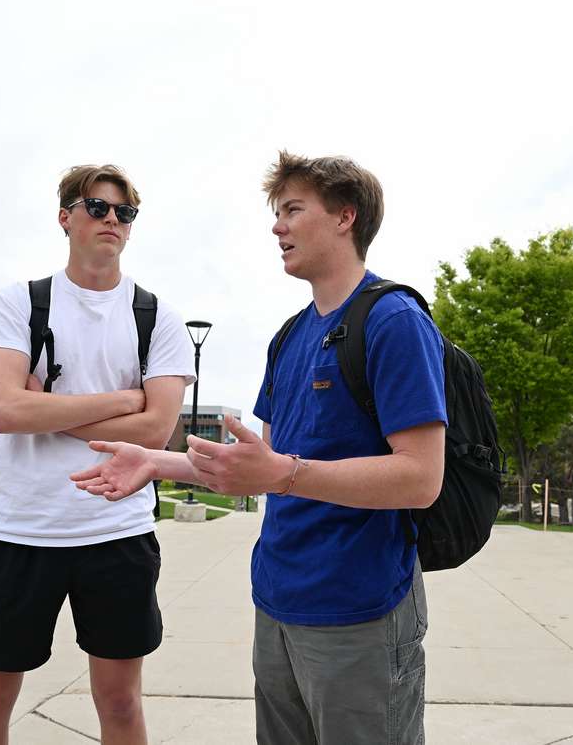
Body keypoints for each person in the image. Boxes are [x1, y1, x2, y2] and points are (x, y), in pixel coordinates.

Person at [70, 151, 447, 744]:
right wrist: (156, 462)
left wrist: (283, 474)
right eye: (277, 212)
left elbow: (421, 479)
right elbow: (261, 471)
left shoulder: (394, 320)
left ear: (345, 216)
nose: (277, 226)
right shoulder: (289, 337)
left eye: (293, 210)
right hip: (277, 599)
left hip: (360, 608)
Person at [0, 164, 195, 745]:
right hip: (17, 530)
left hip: (117, 531)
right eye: (97, 207)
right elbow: (4, 412)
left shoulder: (156, 316)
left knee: (120, 704)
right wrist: (120, 400)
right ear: (67, 217)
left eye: (124, 212)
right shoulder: (17, 304)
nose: (112, 219)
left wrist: (49, 407)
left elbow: (157, 432)